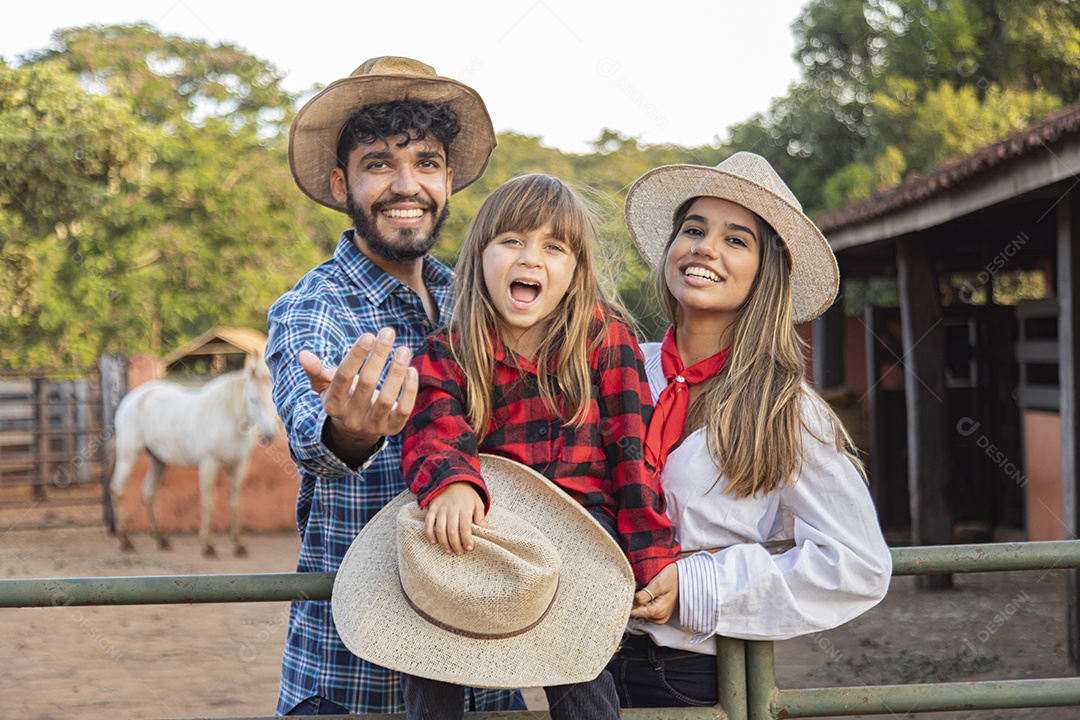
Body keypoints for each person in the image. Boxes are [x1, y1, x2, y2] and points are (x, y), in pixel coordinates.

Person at [264, 56, 523, 716]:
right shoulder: (314, 307)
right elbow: (310, 432)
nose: (407, 185)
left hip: (487, 668)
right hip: (356, 685)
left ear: (448, 179)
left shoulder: (478, 300)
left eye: (428, 163)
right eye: (380, 163)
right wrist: (349, 429)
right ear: (340, 181)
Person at [609, 153, 893, 708]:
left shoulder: (786, 409)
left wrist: (695, 588)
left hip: (686, 674)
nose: (705, 247)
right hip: (580, 664)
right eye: (693, 229)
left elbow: (858, 564)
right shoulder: (612, 371)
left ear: (765, 273)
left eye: (736, 240)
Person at [397, 173, 681, 719]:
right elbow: (432, 423)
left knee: (579, 680)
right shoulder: (449, 348)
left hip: (579, 537)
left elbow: (634, 454)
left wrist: (650, 555)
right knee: (429, 658)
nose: (531, 259)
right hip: (482, 532)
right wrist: (452, 480)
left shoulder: (604, 339)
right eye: (512, 242)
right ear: (480, 255)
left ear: (575, 271)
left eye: (554, 247)